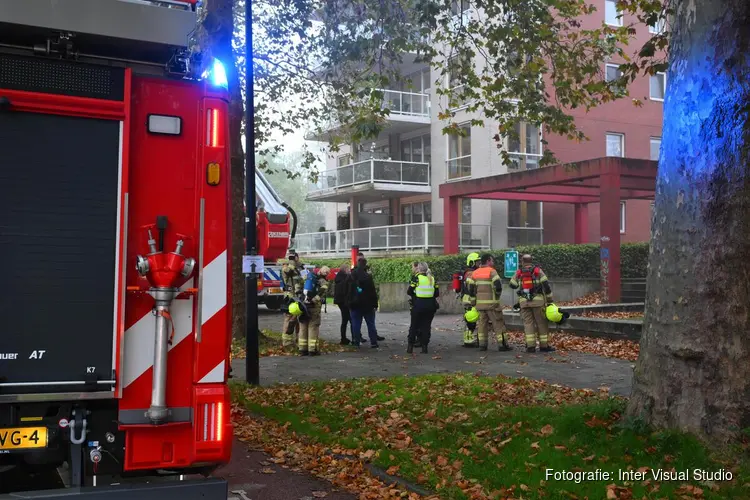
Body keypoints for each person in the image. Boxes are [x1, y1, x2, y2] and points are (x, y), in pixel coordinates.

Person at [509, 254, 556, 353]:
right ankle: (544, 346)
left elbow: (512, 284)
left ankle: (530, 346)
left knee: (528, 324)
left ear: (522, 261)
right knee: (541, 323)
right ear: (531, 261)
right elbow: (546, 286)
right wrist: (549, 299)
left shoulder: (519, 272)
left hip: (524, 302)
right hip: (538, 302)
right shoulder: (538, 271)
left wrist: (519, 282)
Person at [467, 254, 512, 352]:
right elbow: (498, 286)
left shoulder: (475, 273)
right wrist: (497, 297)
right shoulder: (492, 271)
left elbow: (470, 289)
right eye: (492, 261)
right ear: (488, 261)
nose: (493, 263)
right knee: (498, 324)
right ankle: (502, 345)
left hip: (480, 305)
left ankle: (482, 345)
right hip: (492, 305)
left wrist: (473, 301)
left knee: (482, 325)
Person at [406, 262, 439, 354]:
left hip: (418, 305)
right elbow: (437, 293)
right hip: (430, 306)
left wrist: (416, 294)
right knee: (426, 327)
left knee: (414, 326)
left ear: (419, 269)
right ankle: (424, 348)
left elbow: (409, 291)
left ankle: (410, 347)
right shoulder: (432, 279)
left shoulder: (416, 278)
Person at [298, 266, 330, 356]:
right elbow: (320, 294)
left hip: (303, 305)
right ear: (326, 274)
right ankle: (312, 349)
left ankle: (302, 349)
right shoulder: (324, 282)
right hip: (314, 307)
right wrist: (313, 301)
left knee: (303, 327)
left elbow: (299, 285)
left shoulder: (308, 276)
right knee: (313, 327)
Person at [348, 258, 380, 348]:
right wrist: (375, 304)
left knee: (355, 324)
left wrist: (349, 301)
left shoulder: (352, 276)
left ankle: (356, 341)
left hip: (355, 304)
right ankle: (373, 342)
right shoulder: (368, 277)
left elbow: (348, 291)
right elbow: (372, 292)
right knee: (371, 323)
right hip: (367, 304)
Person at [281, 251, 304, 350]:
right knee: (289, 319)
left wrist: (299, 264)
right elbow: (288, 272)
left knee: (299, 319)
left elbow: (304, 278)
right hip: (290, 297)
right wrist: (292, 261)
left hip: (299, 296)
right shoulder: (287, 267)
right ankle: (286, 342)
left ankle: (298, 340)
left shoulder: (299, 268)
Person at [459, 252, 481, 347]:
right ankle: (470, 340)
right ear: (472, 262)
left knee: (470, 319)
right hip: (469, 299)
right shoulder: (470, 273)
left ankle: (468, 339)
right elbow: (471, 287)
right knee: (471, 320)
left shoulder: (468, 272)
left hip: (467, 298)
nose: (479, 264)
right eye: (477, 262)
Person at [333, 265, 352, 345]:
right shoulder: (345, 278)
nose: (349, 271)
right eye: (348, 269)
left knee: (345, 320)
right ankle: (353, 338)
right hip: (344, 302)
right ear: (345, 270)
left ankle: (343, 338)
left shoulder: (338, 278)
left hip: (340, 301)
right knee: (348, 320)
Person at [407, 261, 422, 349]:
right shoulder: (429, 277)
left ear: (417, 267)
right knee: (423, 323)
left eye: (413, 267)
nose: (412, 269)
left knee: (415, 323)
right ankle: (421, 340)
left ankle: (415, 340)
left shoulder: (416, 278)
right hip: (426, 303)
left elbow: (410, 291)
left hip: (416, 302)